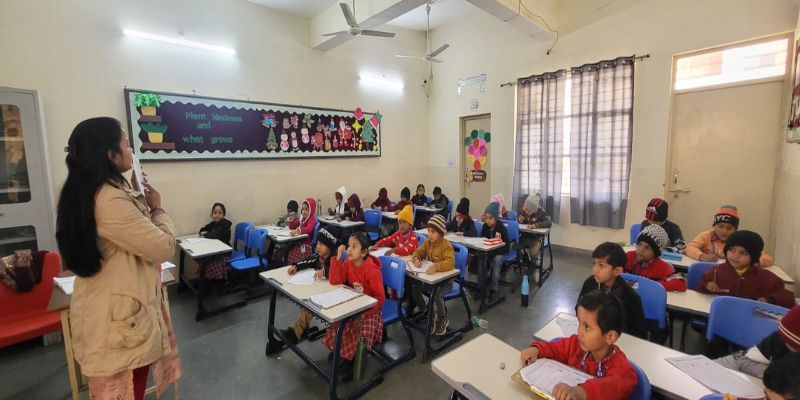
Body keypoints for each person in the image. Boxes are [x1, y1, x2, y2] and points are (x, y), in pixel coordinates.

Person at [55, 117, 180, 400]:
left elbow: (133, 235)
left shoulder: (94, 191)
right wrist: (157, 209)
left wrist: (138, 194)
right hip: (120, 322)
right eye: (125, 144)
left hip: (111, 310)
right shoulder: (109, 200)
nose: (131, 150)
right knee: (128, 390)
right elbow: (162, 247)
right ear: (110, 155)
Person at [520, 292, 637, 400]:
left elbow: (612, 387)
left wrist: (580, 392)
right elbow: (555, 348)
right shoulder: (576, 345)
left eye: (587, 327)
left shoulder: (622, 369)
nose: (579, 331)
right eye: (580, 323)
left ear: (610, 337)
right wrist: (537, 349)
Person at [267, 227, 341, 355]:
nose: (318, 247)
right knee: (307, 301)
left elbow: (336, 272)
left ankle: (297, 332)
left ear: (330, 246)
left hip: (332, 296)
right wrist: (296, 266)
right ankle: (300, 328)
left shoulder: (333, 259)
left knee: (310, 303)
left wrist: (324, 272)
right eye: (318, 243)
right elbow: (308, 260)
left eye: (322, 244)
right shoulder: (319, 256)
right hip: (320, 292)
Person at [322, 232, 384, 381]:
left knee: (359, 332)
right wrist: (338, 257)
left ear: (364, 252)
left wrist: (365, 313)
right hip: (354, 305)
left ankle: (352, 360)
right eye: (349, 246)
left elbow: (380, 299)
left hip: (371, 310)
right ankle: (342, 351)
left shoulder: (371, 270)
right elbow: (335, 280)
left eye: (354, 246)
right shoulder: (348, 263)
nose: (349, 249)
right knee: (339, 324)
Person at [694, 230, 794, 308]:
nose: (735, 256)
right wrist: (706, 286)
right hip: (720, 316)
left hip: (750, 321)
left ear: (753, 256)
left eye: (743, 253)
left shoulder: (766, 278)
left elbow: (788, 297)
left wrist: (769, 299)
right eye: (731, 250)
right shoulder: (715, 272)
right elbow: (698, 290)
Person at [579, 242, 647, 339]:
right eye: (594, 263)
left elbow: (638, 333)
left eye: (601, 265)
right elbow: (579, 308)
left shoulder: (631, 297)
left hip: (618, 339)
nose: (595, 270)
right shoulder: (590, 284)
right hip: (592, 335)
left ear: (617, 271)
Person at [715, 304, 800, 379]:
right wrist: (778, 377)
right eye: (792, 346)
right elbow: (744, 363)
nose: (786, 345)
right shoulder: (779, 340)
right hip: (735, 365)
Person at [410, 214, 455, 336]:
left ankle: (443, 318)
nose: (429, 234)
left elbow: (450, 263)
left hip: (446, 283)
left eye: (433, 232)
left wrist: (437, 266)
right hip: (431, 281)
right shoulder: (428, 242)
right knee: (414, 289)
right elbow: (418, 251)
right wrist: (416, 259)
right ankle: (427, 312)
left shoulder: (446, 245)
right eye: (428, 231)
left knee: (437, 295)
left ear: (440, 233)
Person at [686, 205, 774, 266]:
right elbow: (689, 247)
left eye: (729, 228)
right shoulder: (706, 236)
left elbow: (768, 258)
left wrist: (756, 261)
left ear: (735, 229)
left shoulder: (741, 239)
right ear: (714, 226)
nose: (724, 231)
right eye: (720, 226)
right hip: (709, 272)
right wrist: (701, 256)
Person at [624, 224, 687, 292]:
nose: (641, 249)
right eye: (639, 244)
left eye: (647, 247)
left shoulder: (662, 267)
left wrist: (653, 285)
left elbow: (681, 284)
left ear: (655, 253)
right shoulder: (628, 257)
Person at [477, 202, 508, 303]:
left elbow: (506, 247)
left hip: (500, 253)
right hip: (488, 252)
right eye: (486, 218)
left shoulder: (501, 228)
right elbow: (482, 240)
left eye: (490, 218)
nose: (488, 220)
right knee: (481, 259)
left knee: (496, 260)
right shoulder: (485, 227)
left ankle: (493, 289)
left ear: (496, 218)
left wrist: (492, 253)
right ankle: (480, 287)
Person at [196, 202, 232, 280]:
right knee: (201, 259)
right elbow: (203, 230)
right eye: (215, 213)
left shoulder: (225, 225)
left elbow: (216, 235)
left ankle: (219, 280)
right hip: (215, 250)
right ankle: (208, 279)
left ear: (223, 215)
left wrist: (206, 234)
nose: (217, 215)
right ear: (212, 214)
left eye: (220, 213)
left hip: (224, 252)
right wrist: (202, 232)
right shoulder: (213, 224)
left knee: (206, 260)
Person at [517, 193, 552, 263]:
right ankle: (524, 258)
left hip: (537, 238)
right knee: (513, 248)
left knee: (533, 252)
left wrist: (536, 225)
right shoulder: (524, 210)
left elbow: (549, 223)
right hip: (525, 236)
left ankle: (534, 263)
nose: (525, 211)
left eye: (528, 210)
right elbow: (519, 221)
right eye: (525, 209)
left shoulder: (542, 213)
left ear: (534, 210)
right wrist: (519, 220)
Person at [287, 198, 317, 264]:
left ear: (311, 210)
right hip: (299, 243)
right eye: (303, 209)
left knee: (288, 255)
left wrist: (298, 230)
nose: (303, 211)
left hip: (306, 247)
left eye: (306, 209)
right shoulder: (303, 219)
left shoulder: (311, 219)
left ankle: (290, 266)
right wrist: (291, 219)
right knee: (284, 251)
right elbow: (293, 226)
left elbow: (309, 229)